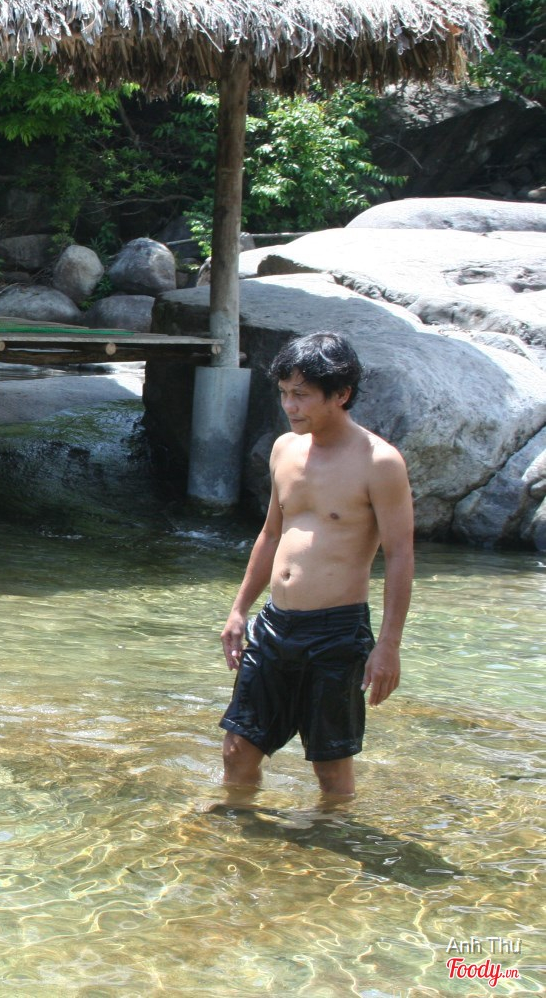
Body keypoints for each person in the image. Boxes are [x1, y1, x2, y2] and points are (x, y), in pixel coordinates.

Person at [218, 332, 414, 799]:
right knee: (237, 750)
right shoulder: (284, 449)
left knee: (330, 767)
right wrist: (239, 610)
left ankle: (332, 840)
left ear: (340, 394)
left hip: (336, 633)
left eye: (301, 395)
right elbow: (271, 533)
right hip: (274, 624)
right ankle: (238, 831)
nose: (290, 406)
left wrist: (388, 645)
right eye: (284, 393)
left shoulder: (379, 462)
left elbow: (400, 555)